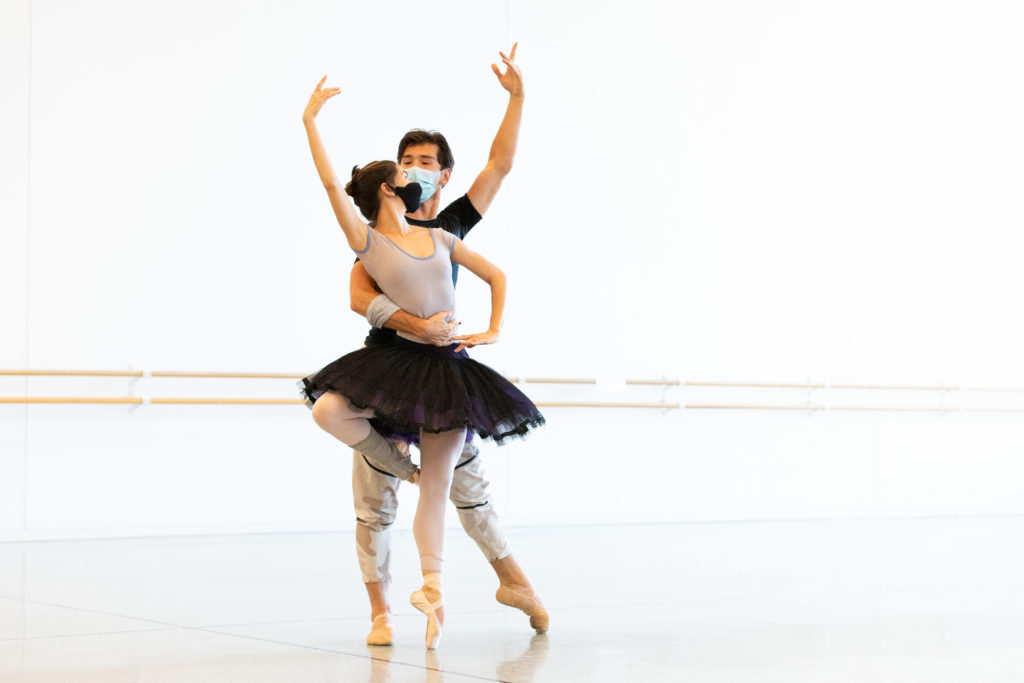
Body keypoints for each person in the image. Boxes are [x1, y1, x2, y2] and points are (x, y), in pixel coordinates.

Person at [300, 75, 544, 650]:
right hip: (385, 372)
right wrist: (415, 325)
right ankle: (381, 611)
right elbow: (360, 298)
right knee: (376, 497)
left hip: (446, 375)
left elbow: (499, 166)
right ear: (389, 181)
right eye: (404, 162)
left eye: (424, 162)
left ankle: (507, 583)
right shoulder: (372, 238)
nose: (412, 170)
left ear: (443, 172)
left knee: (467, 487)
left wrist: (517, 97)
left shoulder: (449, 228)